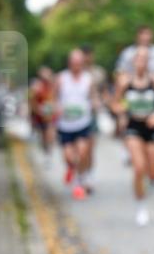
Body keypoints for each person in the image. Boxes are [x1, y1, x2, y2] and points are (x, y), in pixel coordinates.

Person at [112, 46, 154, 225]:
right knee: (139, 167)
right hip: (133, 126)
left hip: (152, 127)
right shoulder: (124, 81)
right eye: (138, 58)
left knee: (152, 171)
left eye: (145, 58)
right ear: (133, 61)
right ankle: (141, 206)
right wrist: (122, 112)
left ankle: (148, 183)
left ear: (149, 61)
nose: (141, 61)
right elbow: (115, 103)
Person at [55, 49, 100, 199]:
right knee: (69, 157)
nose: (77, 66)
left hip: (83, 122)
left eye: (80, 63)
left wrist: (95, 104)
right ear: (69, 63)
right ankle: (72, 168)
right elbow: (54, 98)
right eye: (74, 63)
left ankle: (79, 182)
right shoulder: (61, 78)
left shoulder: (89, 79)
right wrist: (56, 107)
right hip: (65, 124)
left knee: (82, 153)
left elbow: (94, 97)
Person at [80, 44, 109, 190]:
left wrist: (102, 103)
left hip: (91, 115)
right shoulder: (75, 72)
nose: (86, 58)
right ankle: (80, 172)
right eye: (84, 55)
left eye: (88, 54)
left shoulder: (99, 73)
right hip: (75, 117)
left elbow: (104, 92)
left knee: (90, 147)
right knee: (78, 149)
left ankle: (88, 175)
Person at [29, 66, 57, 163]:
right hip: (40, 116)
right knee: (43, 136)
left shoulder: (53, 86)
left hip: (51, 115)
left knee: (50, 134)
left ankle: (49, 154)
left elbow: (57, 98)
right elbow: (32, 102)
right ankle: (46, 151)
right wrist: (37, 111)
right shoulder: (36, 87)